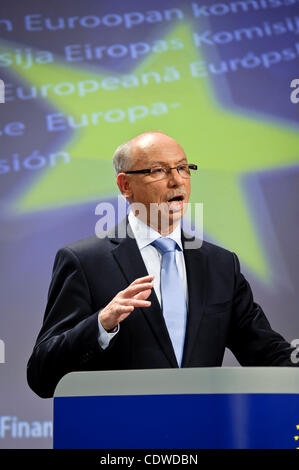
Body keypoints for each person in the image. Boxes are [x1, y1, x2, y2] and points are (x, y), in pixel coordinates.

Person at [27, 131, 297, 398]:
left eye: (183, 168)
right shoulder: (84, 262)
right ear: (125, 186)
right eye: (158, 170)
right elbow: (42, 375)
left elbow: (267, 351)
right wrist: (100, 324)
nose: (177, 181)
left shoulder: (220, 264)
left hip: (202, 433)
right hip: (122, 434)